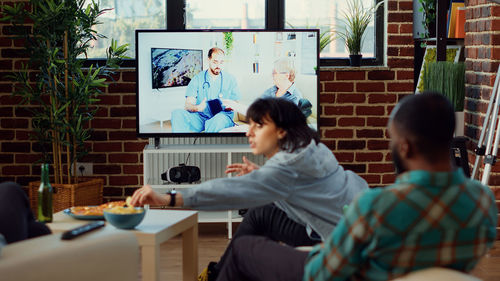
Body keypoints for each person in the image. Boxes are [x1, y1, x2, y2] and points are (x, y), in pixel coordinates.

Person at [215, 92, 498, 281]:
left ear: (405, 146)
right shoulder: (482, 201)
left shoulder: (376, 206)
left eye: (391, 139)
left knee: (245, 250)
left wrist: (313, 253)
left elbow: (325, 271)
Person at [131, 98, 368, 280]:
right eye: (249, 124)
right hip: (345, 229)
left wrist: (167, 198)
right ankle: (217, 274)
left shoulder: (286, 167)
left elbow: (230, 191)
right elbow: (300, 189)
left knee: (242, 250)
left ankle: (222, 273)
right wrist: (261, 176)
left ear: (281, 131)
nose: (248, 132)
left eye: (258, 126)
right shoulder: (312, 148)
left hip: (337, 249)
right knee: (261, 212)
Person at [171, 47, 241, 133]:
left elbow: (236, 102)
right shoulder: (197, 79)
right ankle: (180, 144)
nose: (218, 66)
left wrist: (229, 105)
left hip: (222, 116)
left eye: (221, 62)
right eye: (215, 62)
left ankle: (207, 145)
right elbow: (188, 105)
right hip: (201, 117)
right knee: (177, 113)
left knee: (216, 121)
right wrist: (197, 108)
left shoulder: (230, 79)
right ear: (208, 60)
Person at [222, 57, 304, 116]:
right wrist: (235, 106)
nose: (272, 75)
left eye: (274, 72)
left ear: (286, 75)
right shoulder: (272, 90)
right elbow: (256, 108)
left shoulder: (295, 97)